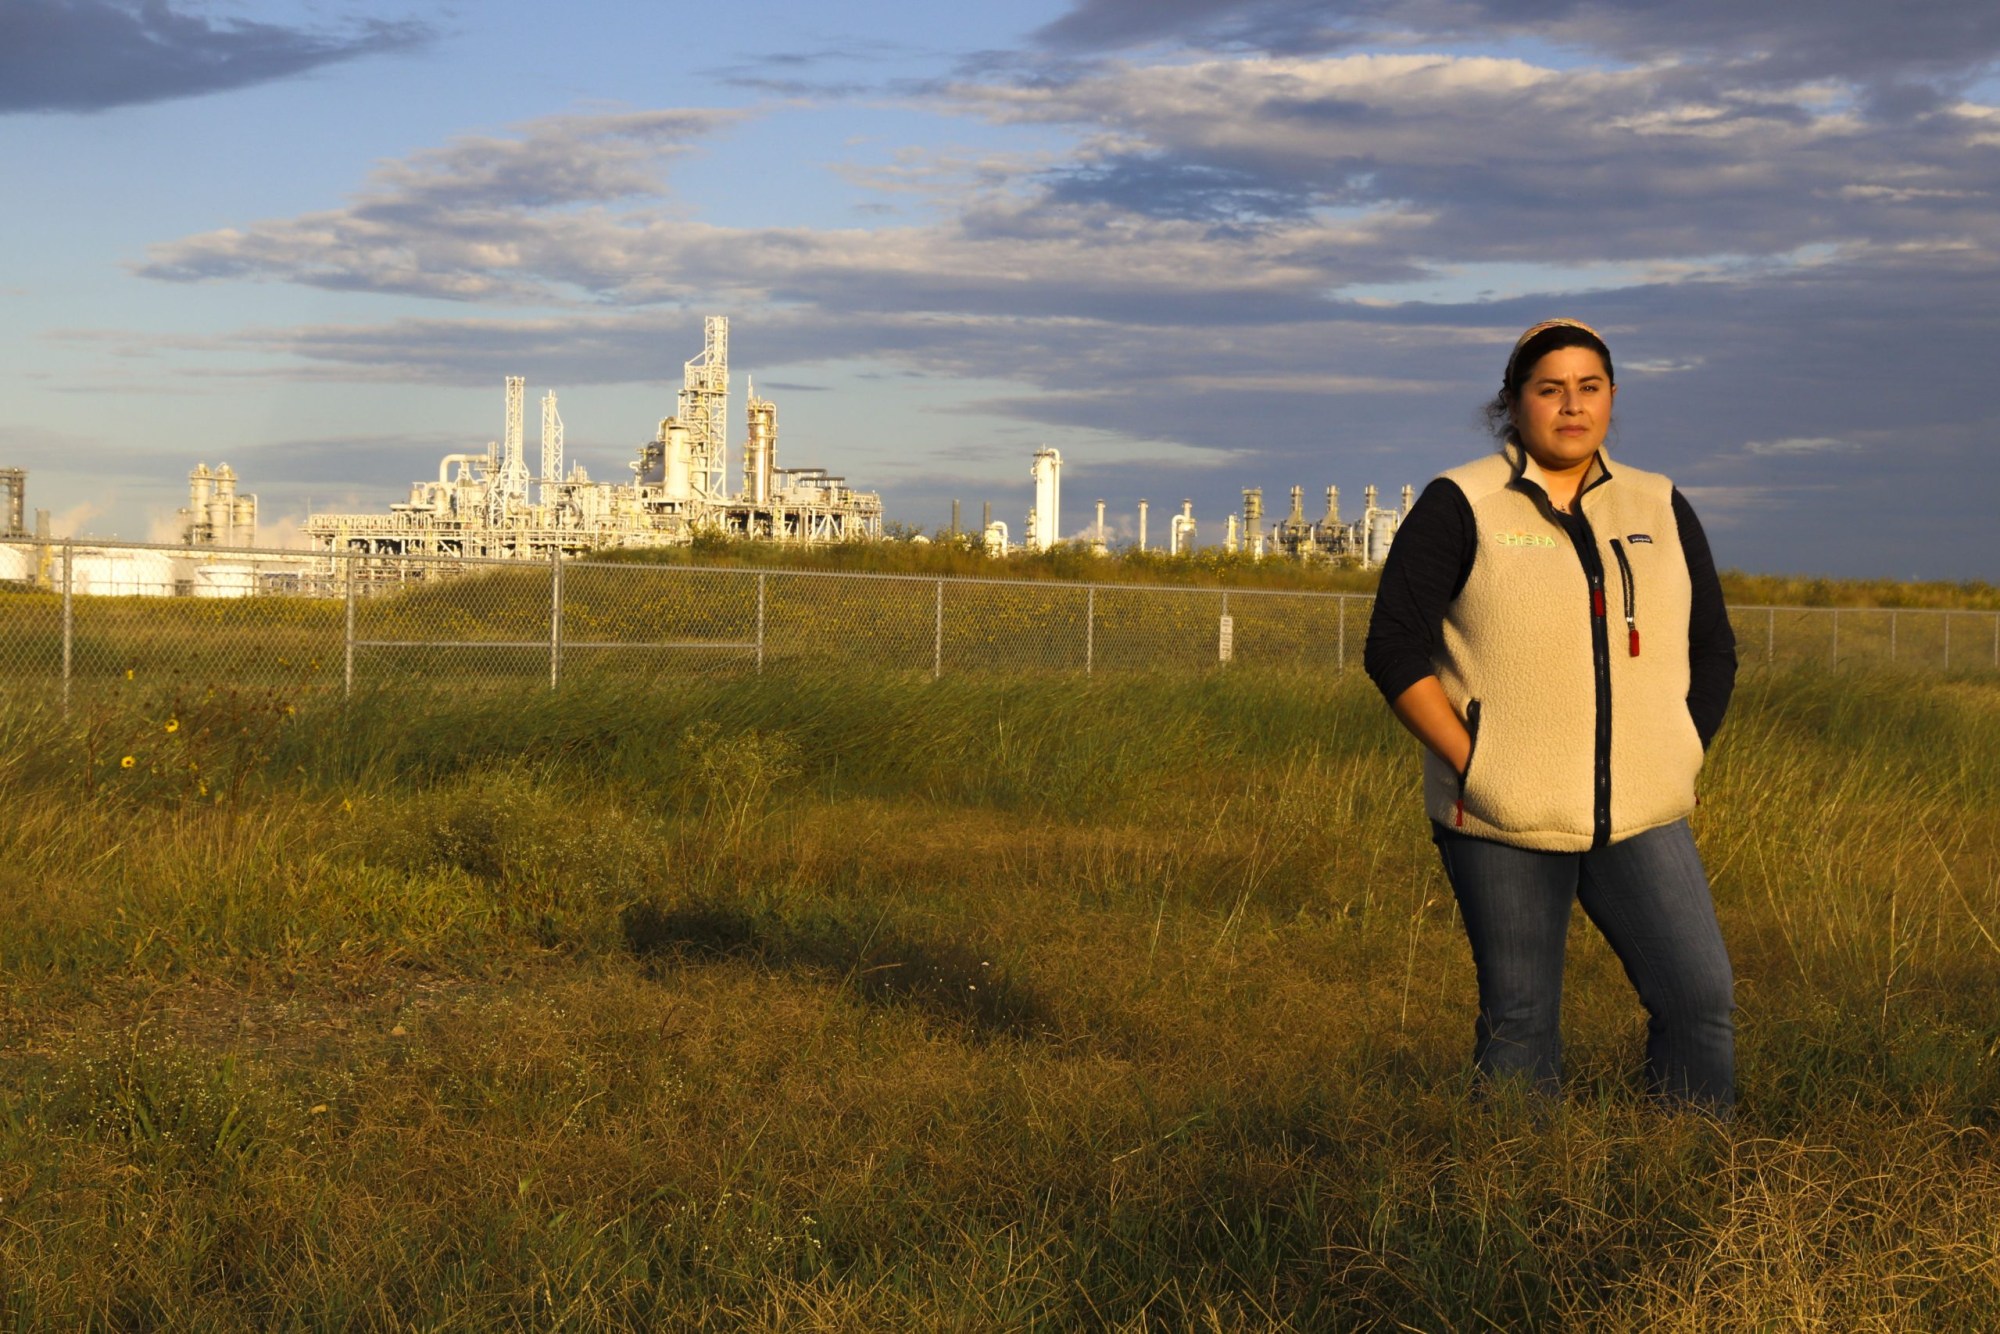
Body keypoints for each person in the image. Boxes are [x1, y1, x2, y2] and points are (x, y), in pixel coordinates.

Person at [1363, 318, 1738, 1111]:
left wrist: (1677, 753)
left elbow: (1714, 651)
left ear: (1612, 398)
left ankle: (1688, 1181)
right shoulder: (1461, 503)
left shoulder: (1659, 504)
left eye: (1590, 387)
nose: (1573, 405)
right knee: (1521, 1022)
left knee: (1699, 1003)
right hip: (1502, 815)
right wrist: (1479, 765)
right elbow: (1394, 649)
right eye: (1550, 388)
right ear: (1515, 402)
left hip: (1644, 810)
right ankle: (1512, 1204)